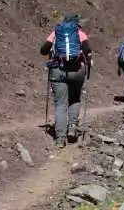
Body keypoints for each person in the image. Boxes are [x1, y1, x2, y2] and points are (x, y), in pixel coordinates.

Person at [39, 14, 92, 148]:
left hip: (58, 71)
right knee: (74, 98)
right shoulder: (80, 33)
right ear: (76, 24)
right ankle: (72, 127)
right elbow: (88, 51)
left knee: (60, 104)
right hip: (77, 72)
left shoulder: (56, 32)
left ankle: (60, 138)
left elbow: (43, 50)